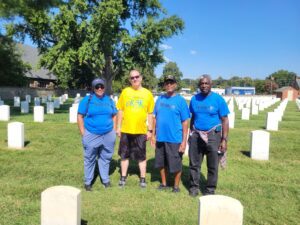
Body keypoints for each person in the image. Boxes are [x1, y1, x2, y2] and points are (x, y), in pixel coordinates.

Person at [188, 75, 229, 197]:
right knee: (194, 163)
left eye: (206, 83)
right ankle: (194, 187)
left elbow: (225, 120)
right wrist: (191, 133)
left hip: (213, 135)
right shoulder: (194, 99)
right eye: (201, 83)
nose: (204, 85)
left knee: (212, 164)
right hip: (196, 134)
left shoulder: (218, 99)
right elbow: (193, 117)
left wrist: (224, 139)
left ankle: (210, 189)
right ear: (199, 85)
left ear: (211, 84)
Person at [151, 75, 190, 193]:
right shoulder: (160, 99)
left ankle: (176, 186)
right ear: (164, 85)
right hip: (161, 138)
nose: (169, 85)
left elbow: (185, 122)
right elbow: (154, 117)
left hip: (174, 138)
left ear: (175, 85)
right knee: (161, 162)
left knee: (176, 163)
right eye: (167, 83)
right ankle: (164, 184)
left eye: (171, 82)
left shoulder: (180, 101)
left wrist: (184, 141)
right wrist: (153, 134)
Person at [116, 69, 154, 188]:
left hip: (141, 131)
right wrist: (118, 127)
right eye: (132, 78)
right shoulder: (125, 92)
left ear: (141, 78)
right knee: (124, 155)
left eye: (136, 77)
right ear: (130, 80)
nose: (134, 79)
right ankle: (123, 177)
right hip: (126, 130)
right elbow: (120, 110)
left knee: (141, 156)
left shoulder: (147, 94)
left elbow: (150, 113)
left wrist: (150, 130)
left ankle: (142, 179)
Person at [77, 78, 117, 191]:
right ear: (93, 88)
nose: (99, 88)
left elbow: (114, 115)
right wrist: (83, 133)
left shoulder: (109, 100)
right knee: (90, 158)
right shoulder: (87, 100)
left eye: (101, 86)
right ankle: (88, 181)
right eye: (97, 87)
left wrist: (113, 130)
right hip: (91, 134)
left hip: (108, 134)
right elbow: (80, 116)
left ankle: (105, 180)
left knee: (106, 157)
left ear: (105, 87)